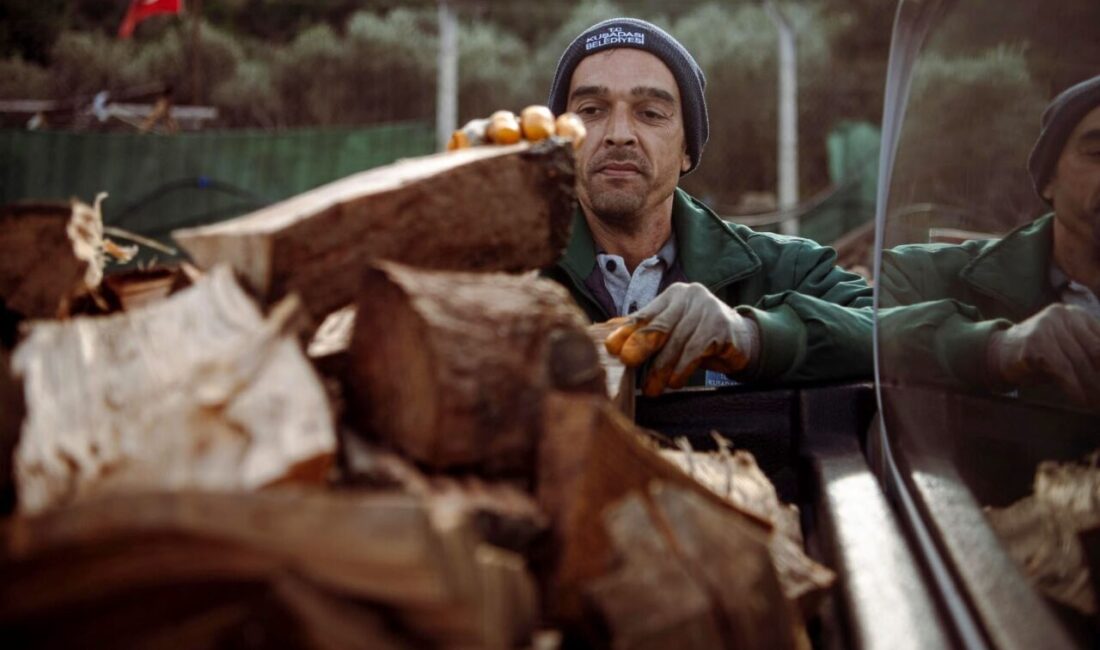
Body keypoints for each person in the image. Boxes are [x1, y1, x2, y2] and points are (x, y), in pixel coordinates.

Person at [539, 18, 873, 396]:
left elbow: (889, 333)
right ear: (561, 143)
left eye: (650, 113)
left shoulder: (782, 270)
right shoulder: (509, 275)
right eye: (591, 110)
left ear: (687, 150)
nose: (619, 134)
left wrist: (752, 337)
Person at [879, 74, 1100, 408]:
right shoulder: (926, 278)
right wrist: (996, 349)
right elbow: (859, 336)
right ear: (1049, 180)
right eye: (1098, 152)